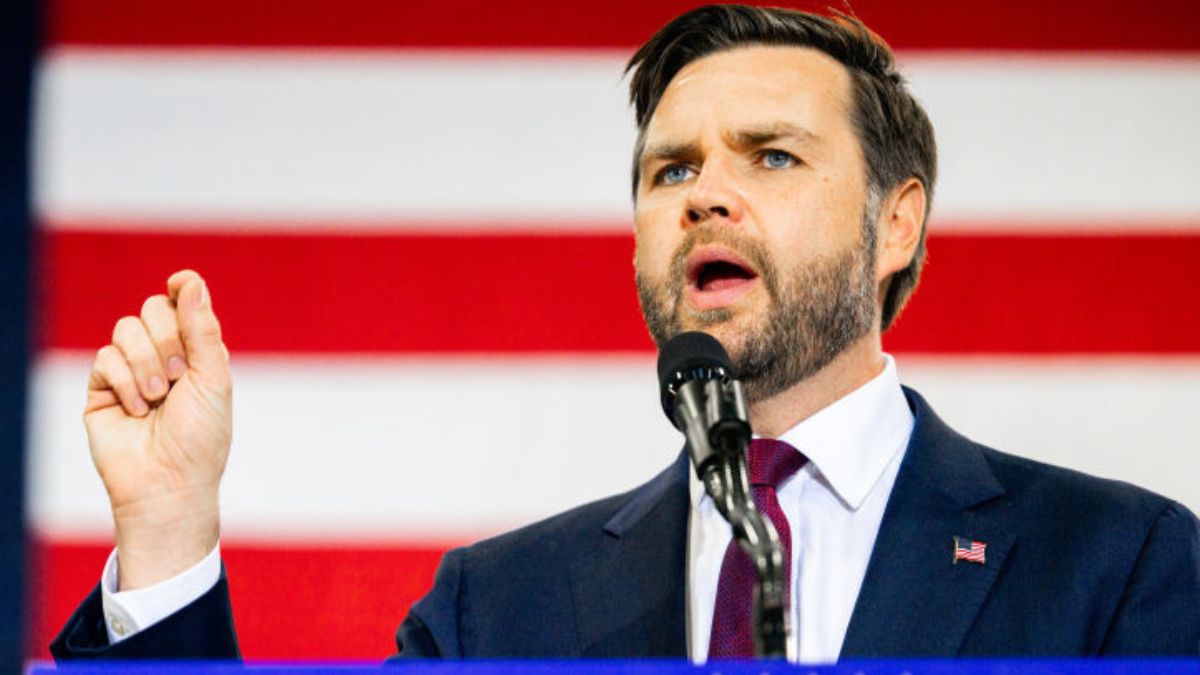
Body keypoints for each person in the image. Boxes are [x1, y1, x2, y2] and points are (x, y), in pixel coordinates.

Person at [52, 5, 1200, 661]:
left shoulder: (1117, 565)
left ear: (896, 223)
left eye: (773, 155)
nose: (704, 195)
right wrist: (166, 536)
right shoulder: (498, 609)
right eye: (672, 170)